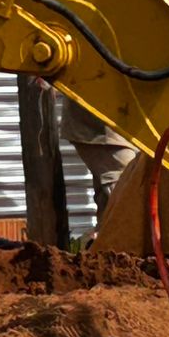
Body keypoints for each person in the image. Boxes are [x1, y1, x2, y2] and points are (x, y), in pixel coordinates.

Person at [62, 96, 137, 235]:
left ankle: (106, 247)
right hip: (100, 128)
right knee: (128, 188)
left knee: (110, 199)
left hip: (119, 123)